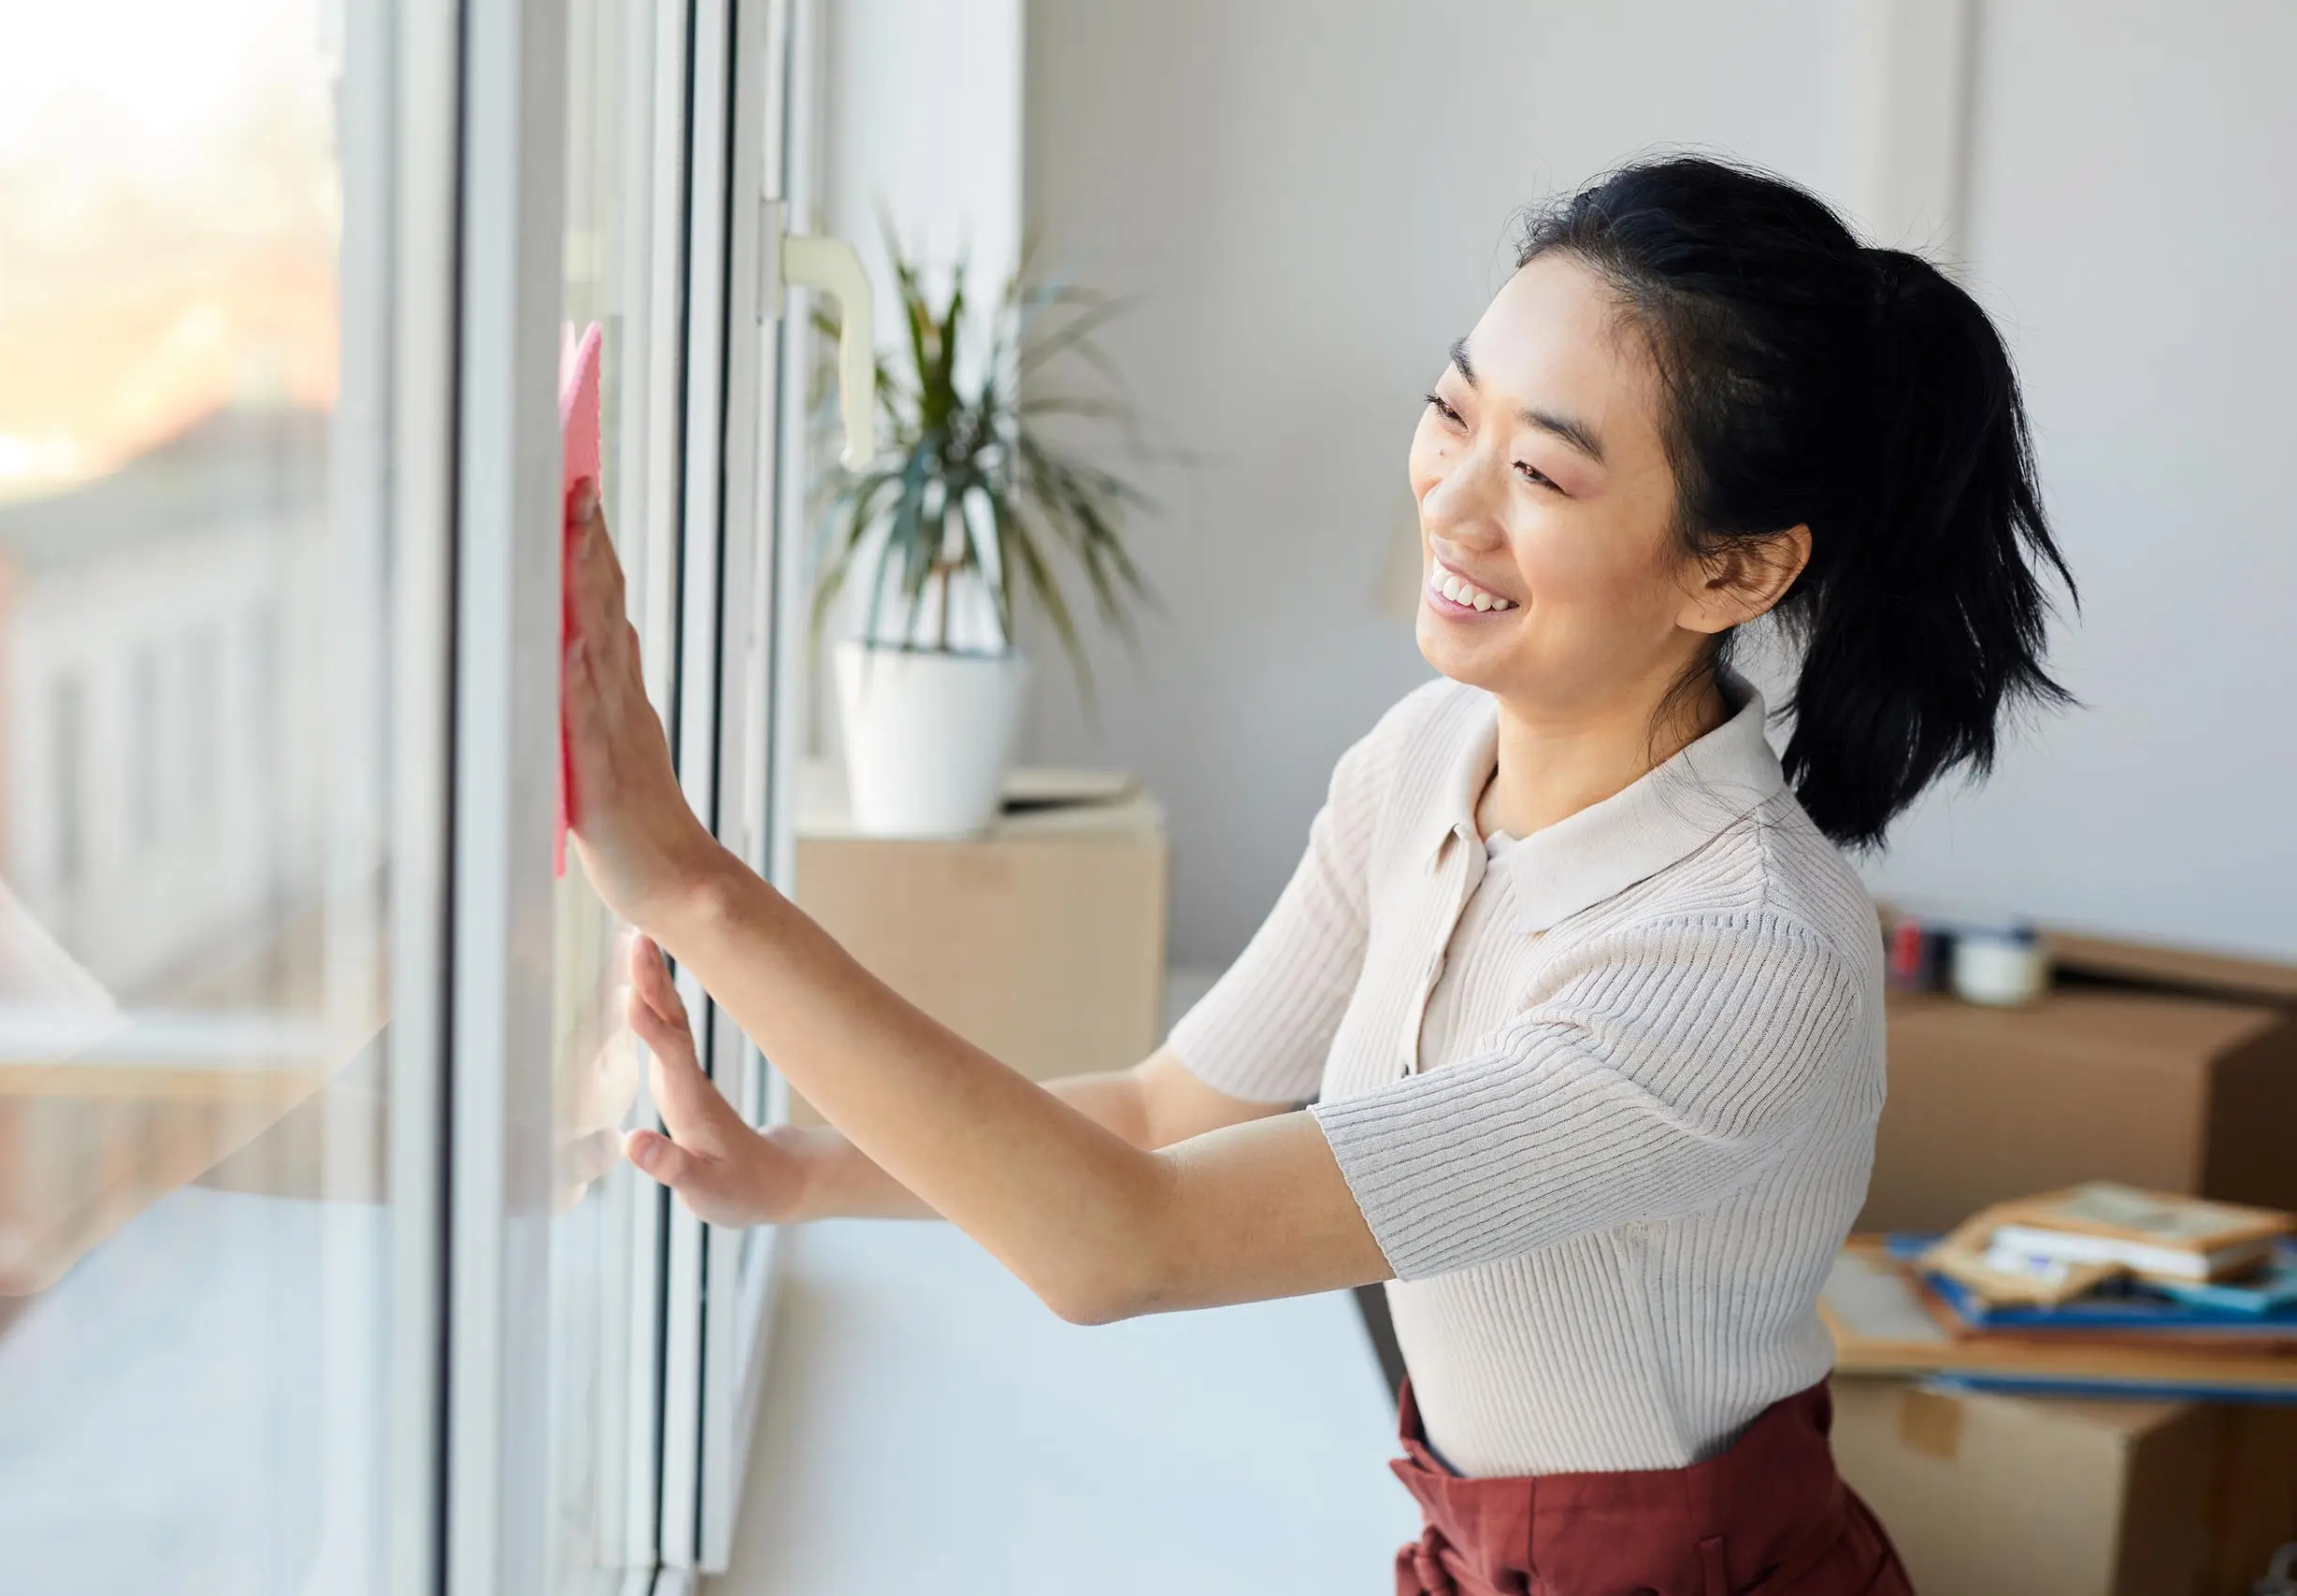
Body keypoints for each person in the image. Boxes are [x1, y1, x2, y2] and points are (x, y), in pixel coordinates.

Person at [562, 156, 2072, 1596]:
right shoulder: (1427, 757)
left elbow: (1125, 1239)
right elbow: (1164, 1114)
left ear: (1734, 571)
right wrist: (796, 1174)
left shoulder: (1743, 956)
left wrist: (692, 885)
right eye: (1450, 412)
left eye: (1540, 470)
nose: (1452, 502)